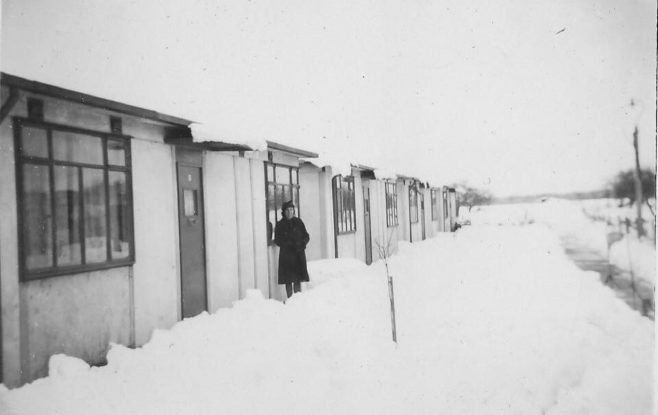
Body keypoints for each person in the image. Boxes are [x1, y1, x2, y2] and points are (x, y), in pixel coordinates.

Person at [274, 200, 310, 298]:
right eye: (287, 210)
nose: (290, 212)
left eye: (291, 210)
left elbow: (306, 236)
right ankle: (290, 300)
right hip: (287, 257)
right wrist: (287, 244)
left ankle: (298, 301)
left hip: (298, 255)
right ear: (284, 212)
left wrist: (303, 243)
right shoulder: (280, 225)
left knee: (298, 280)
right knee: (288, 280)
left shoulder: (298, 222)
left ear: (294, 211)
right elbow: (277, 240)